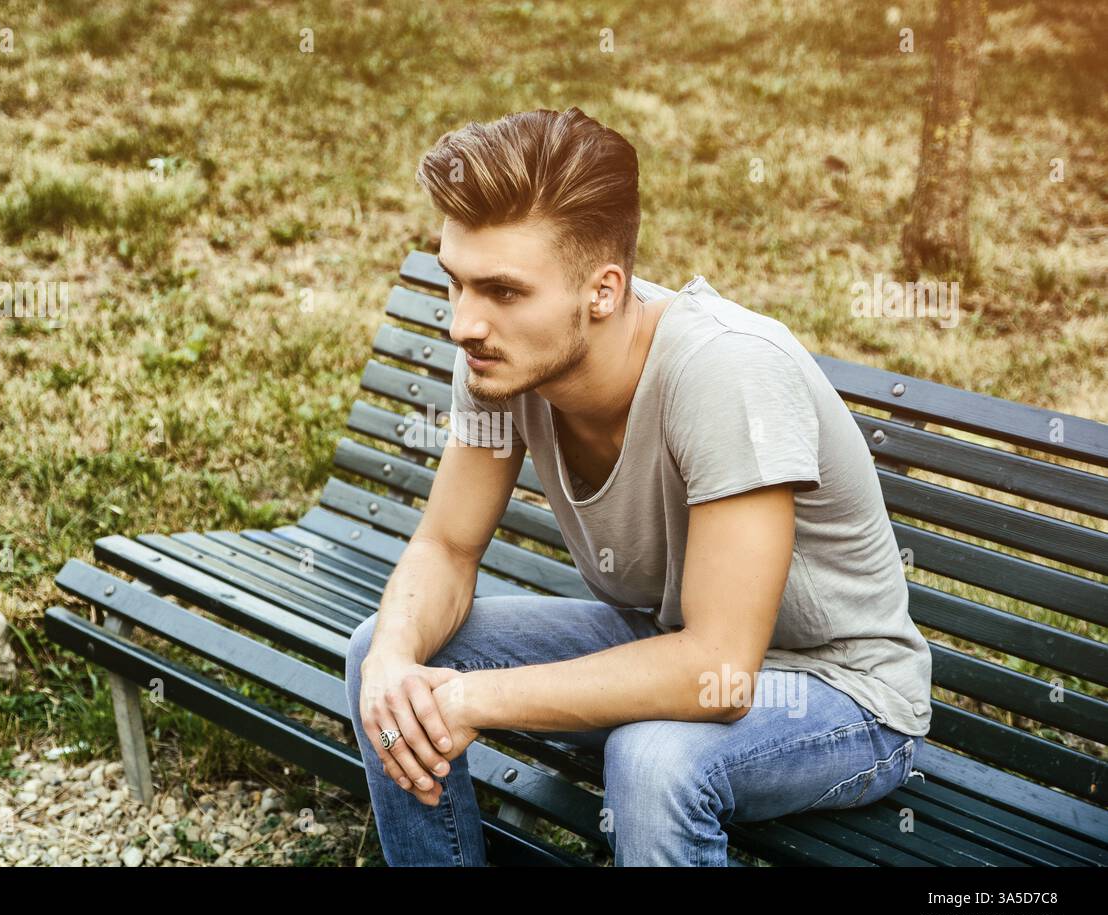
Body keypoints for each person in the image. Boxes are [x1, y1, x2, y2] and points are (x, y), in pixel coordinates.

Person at [345, 106, 931, 866]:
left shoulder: (727, 372)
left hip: (841, 695)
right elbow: (449, 547)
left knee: (652, 761)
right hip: (674, 641)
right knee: (379, 654)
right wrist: (397, 663)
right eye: (455, 283)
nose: (463, 323)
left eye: (502, 291)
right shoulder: (498, 362)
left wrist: (467, 700)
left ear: (603, 290)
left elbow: (717, 673)